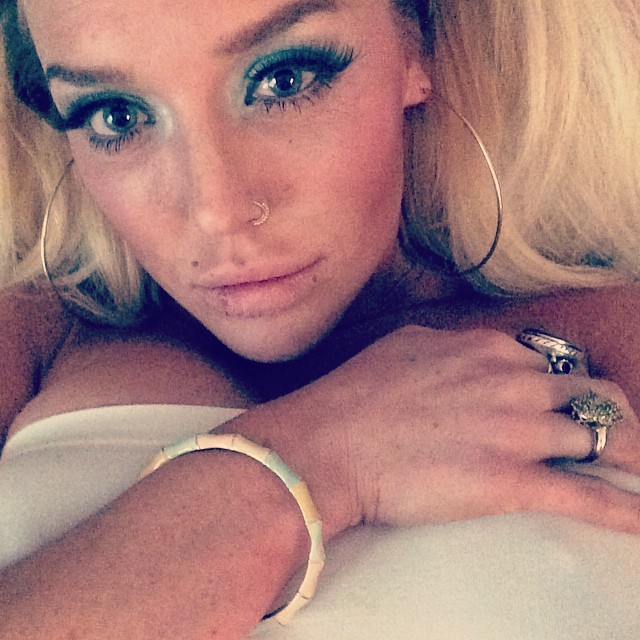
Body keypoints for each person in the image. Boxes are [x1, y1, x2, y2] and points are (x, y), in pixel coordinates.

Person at [0, 0, 640, 637]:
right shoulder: (34, 336)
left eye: (284, 78)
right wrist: (319, 457)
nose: (216, 211)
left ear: (416, 42)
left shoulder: (613, 332)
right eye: (115, 115)